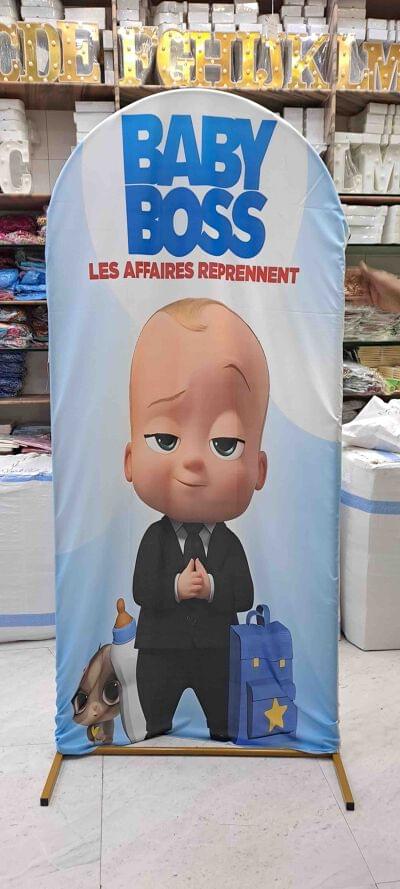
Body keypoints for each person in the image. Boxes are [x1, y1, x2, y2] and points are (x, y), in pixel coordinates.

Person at [124, 297, 269, 740]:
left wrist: (211, 589)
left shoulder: (228, 544)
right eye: (165, 439)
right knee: (153, 715)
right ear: (129, 459)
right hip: (160, 647)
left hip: (216, 649)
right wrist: (174, 587)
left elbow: (244, 594)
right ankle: (156, 728)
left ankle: (223, 730)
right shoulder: (155, 538)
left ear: (259, 470)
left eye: (225, 444)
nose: (192, 461)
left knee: (223, 716)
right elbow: (141, 589)